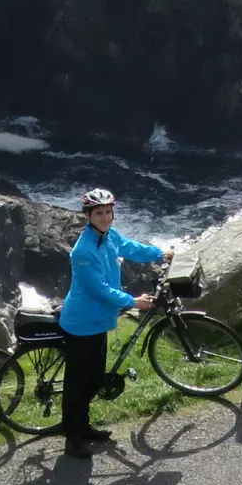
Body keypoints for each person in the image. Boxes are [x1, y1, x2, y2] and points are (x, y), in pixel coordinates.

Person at [59, 188, 169, 457]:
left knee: (93, 378)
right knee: (78, 383)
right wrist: (133, 301)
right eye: (99, 213)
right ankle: (73, 439)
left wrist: (159, 254)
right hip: (81, 323)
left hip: (98, 321)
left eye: (108, 212)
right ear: (88, 216)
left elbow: (131, 247)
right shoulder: (83, 251)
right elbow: (99, 289)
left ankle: (84, 428)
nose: (106, 217)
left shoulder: (108, 236)